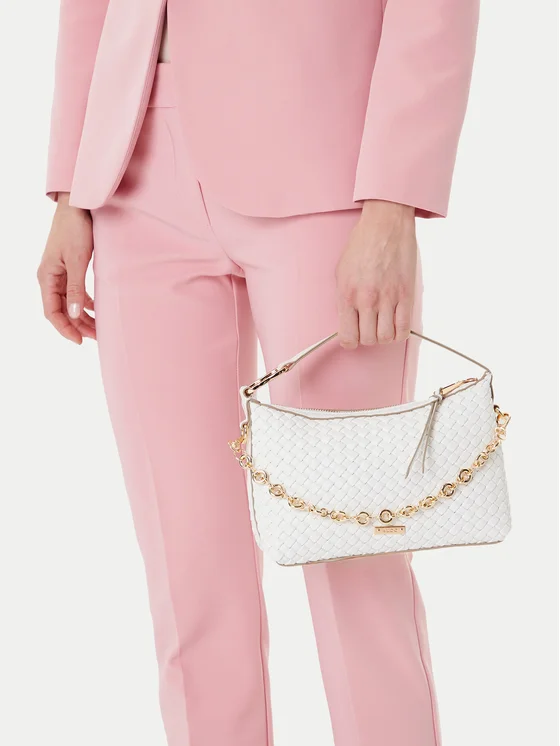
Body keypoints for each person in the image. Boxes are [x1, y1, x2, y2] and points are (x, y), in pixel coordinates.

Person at [38, 2, 479, 744]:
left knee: (351, 545)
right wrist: (70, 191)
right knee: (187, 566)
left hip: (324, 164)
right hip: (130, 171)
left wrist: (393, 201)